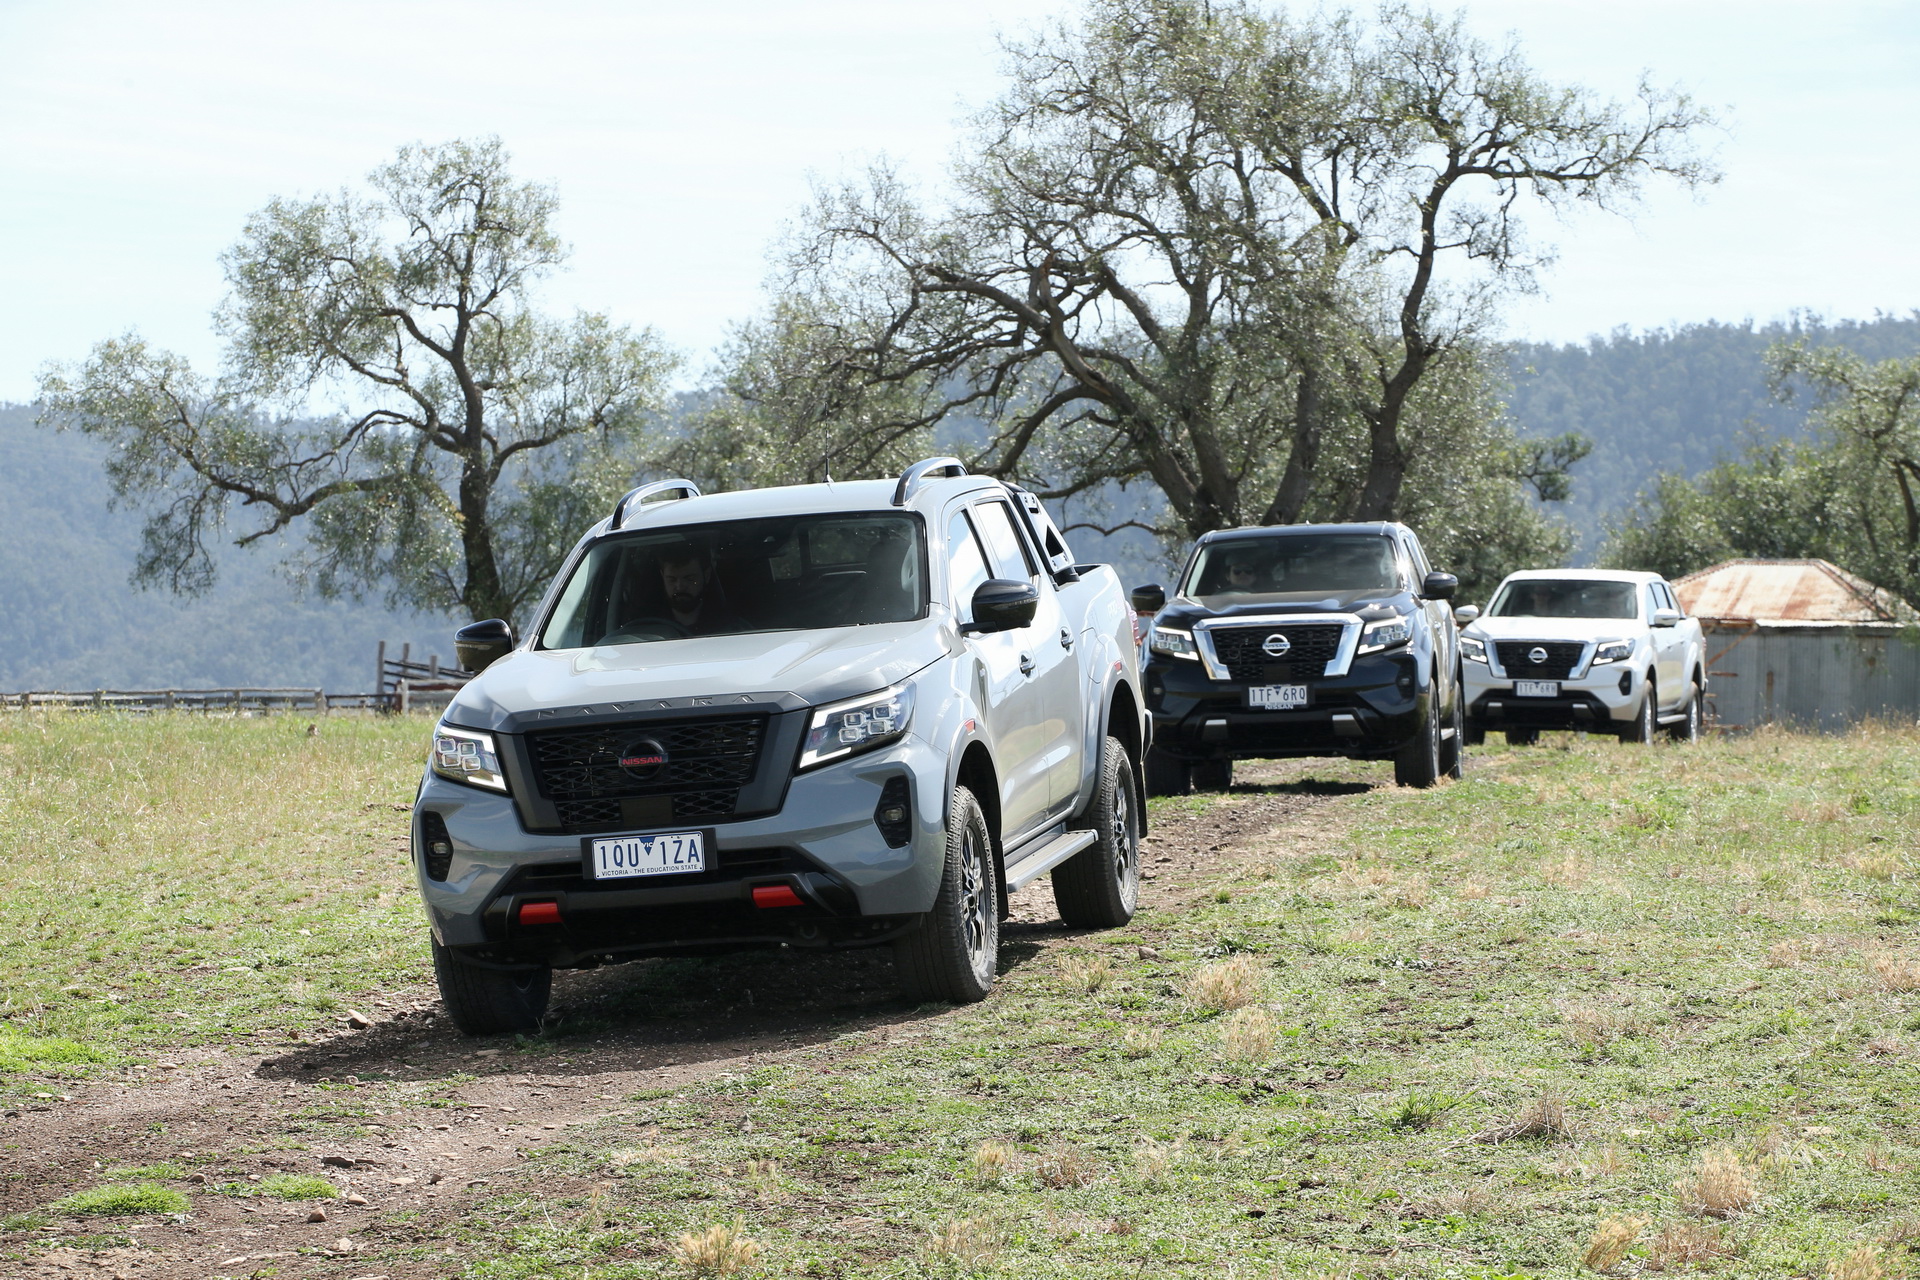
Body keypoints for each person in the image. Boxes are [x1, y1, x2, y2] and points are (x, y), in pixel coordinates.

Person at [657, 543, 746, 635]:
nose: (679, 587)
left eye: (690, 579)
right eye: (672, 580)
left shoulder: (730, 626)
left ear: (706, 576)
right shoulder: (646, 627)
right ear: (662, 576)